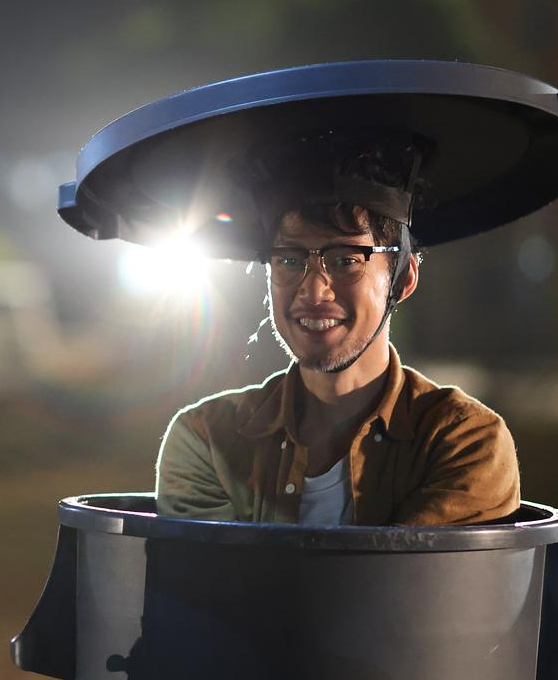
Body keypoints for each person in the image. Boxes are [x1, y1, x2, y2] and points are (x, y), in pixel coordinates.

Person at [155, 132, 520, 526]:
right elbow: (203, 566)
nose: (314, 291)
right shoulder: (208, 440)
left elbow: (413, 567)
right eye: (290, 260)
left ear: (403, 279)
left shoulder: (462, 440)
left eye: (346, 260)